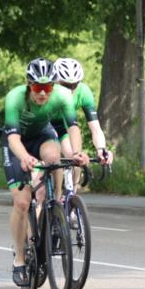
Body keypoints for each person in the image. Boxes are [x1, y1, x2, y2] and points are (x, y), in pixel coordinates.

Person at [1, 58, 89, 288]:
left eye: (47, 87)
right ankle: (19, 259)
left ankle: (55, 203)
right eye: (38, 87)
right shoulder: (14, 98)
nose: (42, 93)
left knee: (54, 158)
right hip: (16, 143)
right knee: (22, 203)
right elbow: (13, 138)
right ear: (29, 84)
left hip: (42, 135)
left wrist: (77, 153)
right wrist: (25, 157)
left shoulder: (63, 95)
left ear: (53, 86)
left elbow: (73, 127)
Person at [51, 57, 113, 198]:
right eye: (66, 85)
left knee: (75, 156)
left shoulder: (84, 92)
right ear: (55, 81)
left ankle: (71, 196)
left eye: (74, 85)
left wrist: (101, 149)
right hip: (44, 124)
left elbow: (95, 128)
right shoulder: (47, 92)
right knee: (48, 158)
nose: (71, 89)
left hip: (63, 126)